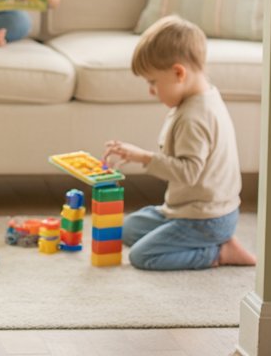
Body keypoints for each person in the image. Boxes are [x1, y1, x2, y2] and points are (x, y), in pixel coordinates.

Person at [102, 15, 258, 270]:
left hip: (205, 219)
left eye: (153, 82)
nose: (151, 91)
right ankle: (198, 239)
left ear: (178, 73)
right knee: (126, 229)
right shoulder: (203, 98)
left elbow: (188, 173)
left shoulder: (194, 117)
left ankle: (218, 252)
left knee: (142, 256)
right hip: (185, 209)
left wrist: (143, 157)